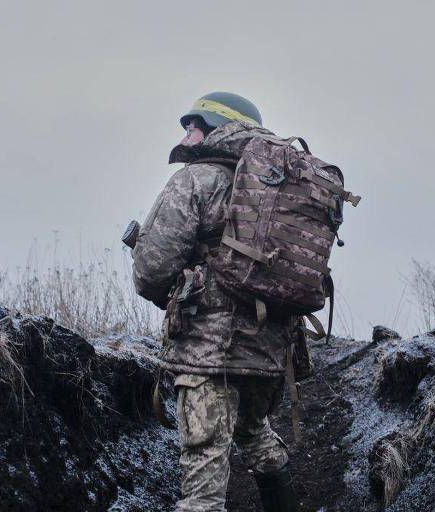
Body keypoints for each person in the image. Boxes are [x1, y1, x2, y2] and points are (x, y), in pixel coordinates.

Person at [132, 92, 299, 512]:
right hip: (270, 350)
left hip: (209, 350)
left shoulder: (197, 178)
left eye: (194, 124)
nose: (187, 133)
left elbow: (152, 267)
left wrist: (169, 296)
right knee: (253, 430)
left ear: (218, 127)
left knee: (204, 461)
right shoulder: (282, 183)